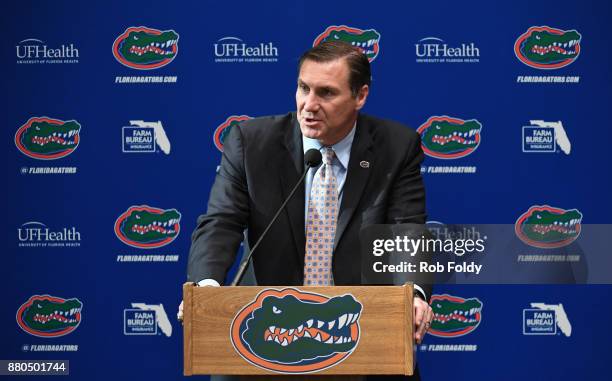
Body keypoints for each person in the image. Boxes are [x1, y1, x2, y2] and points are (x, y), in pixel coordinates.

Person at [180, 41, 433, 379]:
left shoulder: (396, 147)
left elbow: (407, 231)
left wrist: (412, 293)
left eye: (326, 93)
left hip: (359, 333)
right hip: (264, 334)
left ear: (360, 96)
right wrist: (207, 289)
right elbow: (221, 222)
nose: (308, 105)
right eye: (303, 88)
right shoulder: (251, 143)